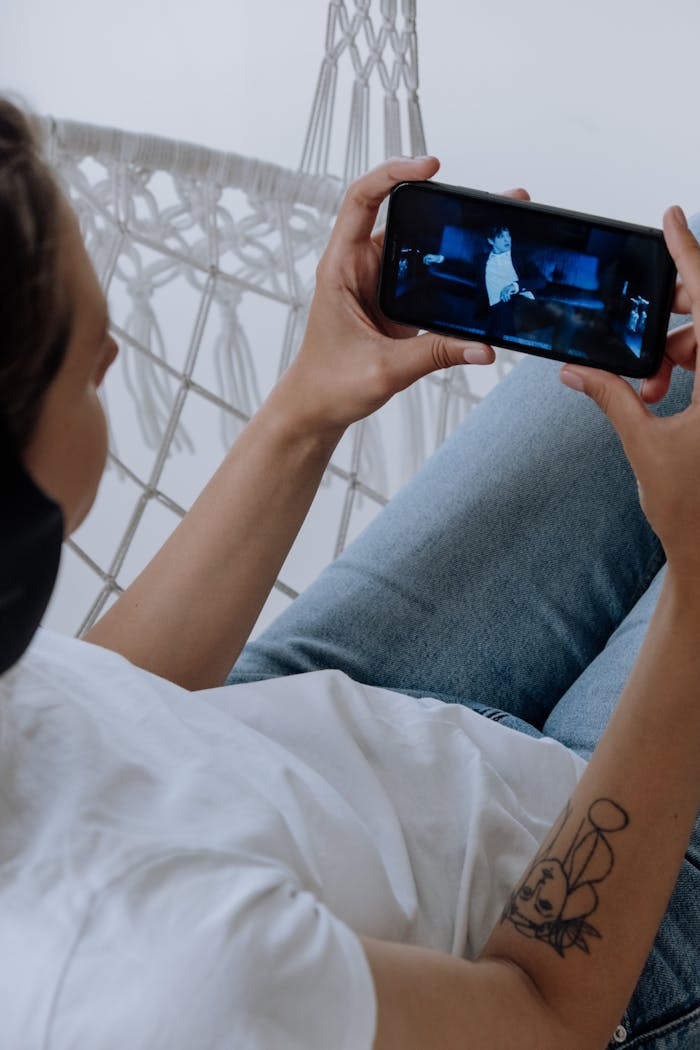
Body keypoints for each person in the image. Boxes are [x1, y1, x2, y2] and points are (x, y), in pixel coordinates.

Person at [0, 95, 698, 1050]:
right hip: (561, 940)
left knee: (667, 308)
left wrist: (305, 407)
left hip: (287, 743)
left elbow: (98, 703)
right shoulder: (161, 978)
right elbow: (545, 1018)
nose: (117, 348)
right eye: (88, 367)